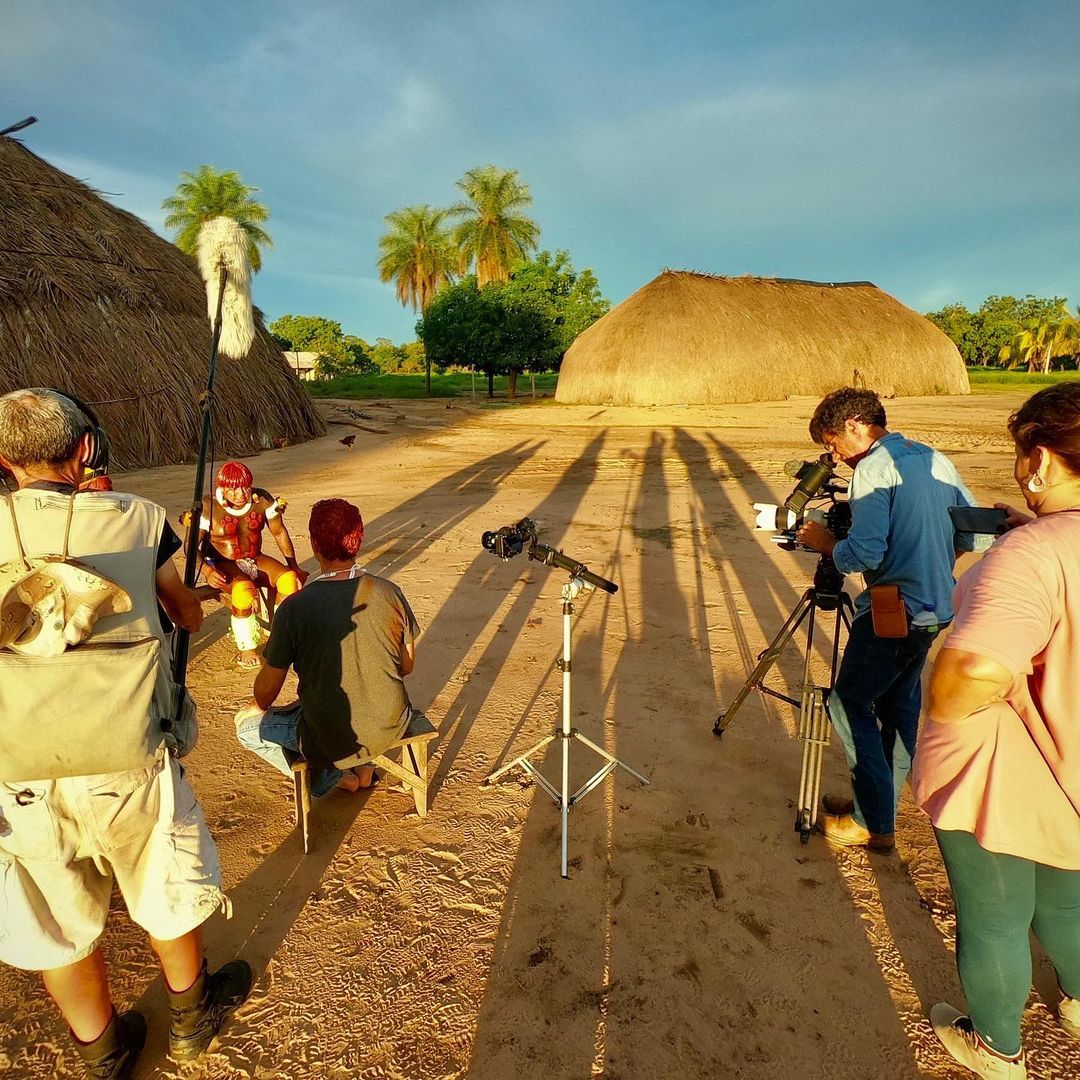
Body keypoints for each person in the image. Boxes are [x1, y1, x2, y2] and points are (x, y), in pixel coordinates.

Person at [0, 388, 251, 1079]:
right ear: (85, 450)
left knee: (58, 922)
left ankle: (104, 1050)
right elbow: (185, 615)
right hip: (131, 757)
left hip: (19, 769)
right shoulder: (140, 520)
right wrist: (192, 604)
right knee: (162, 889)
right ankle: (192, 1022)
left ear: (3, 460)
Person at [912, 384, 1080, 1079]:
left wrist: (942, 700)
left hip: (1006, 774)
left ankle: (998, 1049)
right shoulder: (1039, 547)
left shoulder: (1031, 555)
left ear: (1039, 460)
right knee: (1070, 896)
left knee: (995, 915)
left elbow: (976, 667)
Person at [795, 387, 973, 851]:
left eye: (833, 442)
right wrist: (931, 564)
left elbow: (862, 554)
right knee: (898, 709)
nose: (834, 454)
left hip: (894, 614)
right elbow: (974, 532)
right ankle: (878, 807)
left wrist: (824, 542)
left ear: (854, 425)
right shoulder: (933, 458)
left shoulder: (873, 470)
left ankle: (871, 822)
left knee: (848, 704)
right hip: (935, 609)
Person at [236, 498, 420, 799]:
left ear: (314, 544)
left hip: (326, 736)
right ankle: (363, 769)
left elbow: (264, 695)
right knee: (358, 702)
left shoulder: (294, 608)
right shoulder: (390, 592)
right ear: (358, 540)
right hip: (392, 722)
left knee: (245, 727)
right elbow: (407, 665)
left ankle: (336, 779)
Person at [195, 460, 307, 668]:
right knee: (243, 591)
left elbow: (279, 532)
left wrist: (294, 566)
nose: (240, 494)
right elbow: (191, 546)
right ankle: (246, 647)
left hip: (256, 557)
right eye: (233, 490)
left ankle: (280, 633)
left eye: (244, 487)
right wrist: (208, 570)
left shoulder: (262, 500)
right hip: (224, 563)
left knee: (289, 581)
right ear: (222, 488)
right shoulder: (208, 507)